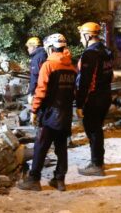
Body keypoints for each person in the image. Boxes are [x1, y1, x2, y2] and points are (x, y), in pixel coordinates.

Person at [18, 33, 77, 191]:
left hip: (50, 114)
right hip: (65, 114)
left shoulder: (49, 65)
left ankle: (33, 179)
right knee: (61, 147)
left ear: (51, 48)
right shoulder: (71, 66)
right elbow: (73, 92)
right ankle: (59, 180)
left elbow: (41, 90)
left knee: (41, 145)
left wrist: (34, 110)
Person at [75, 22, 114, 176]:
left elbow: (85, 81)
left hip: (94, 97)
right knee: (97, 129)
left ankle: (96, 164)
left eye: (81, 36)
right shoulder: (106, 50)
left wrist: (79, 103)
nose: (80, 40)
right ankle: (98, 161)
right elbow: (110, 74)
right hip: (105, 94)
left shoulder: (90, 54)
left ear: (88, 35)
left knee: (93, 130)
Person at [26, 37, 48, 105]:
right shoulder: (44, 54)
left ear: (34, 46)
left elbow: (35, 77)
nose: (28, 49)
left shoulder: (37, 58)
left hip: (40, 92)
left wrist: (31, 92)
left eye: (29, 47)